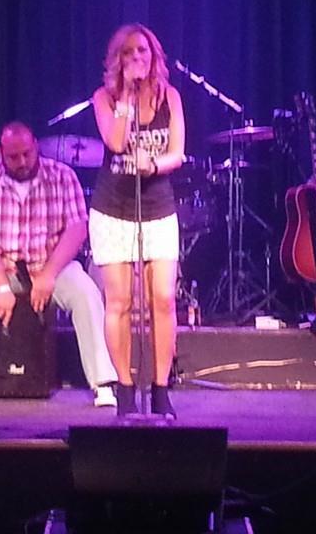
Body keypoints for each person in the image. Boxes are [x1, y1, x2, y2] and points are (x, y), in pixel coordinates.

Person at [0, 121, 117, 407]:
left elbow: (76, 230)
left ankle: (103, 382)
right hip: (1, 264)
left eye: (27, 154)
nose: (22, 162)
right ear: (0, 153)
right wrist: (0, 285)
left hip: (51, 263)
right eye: (13, 157)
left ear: (36, 147)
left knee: (86, 293)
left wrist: (48, 275)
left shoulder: (63, 176)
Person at [89, 23, 186, 418]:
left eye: (142, 51)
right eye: (128, 53)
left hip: (158, 207)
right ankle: (125, 390)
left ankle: (161, 390)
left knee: (162, 298)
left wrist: (155, 164)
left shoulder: (170, 96)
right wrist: (127, 96)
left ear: (153, 55)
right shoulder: (104, 97)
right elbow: (115, 142)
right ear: (118, 60)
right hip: (113, 208)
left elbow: (178, 152)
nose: (137, 58)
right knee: (120, 302)